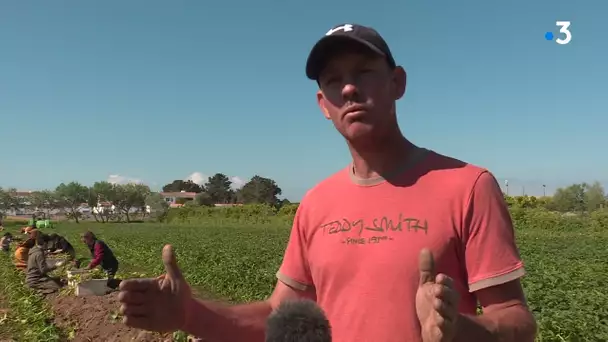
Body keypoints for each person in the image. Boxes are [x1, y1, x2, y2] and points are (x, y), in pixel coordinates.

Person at [118, 24, 537, 342]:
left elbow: (517, 318)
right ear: (324, 104)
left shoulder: (467, 186)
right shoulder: (317, 203)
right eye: (333, 81)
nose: (349, 87)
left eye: (364, 72)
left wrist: (461, 330)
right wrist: (190, 314)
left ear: (397, 84)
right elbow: (278, 316)